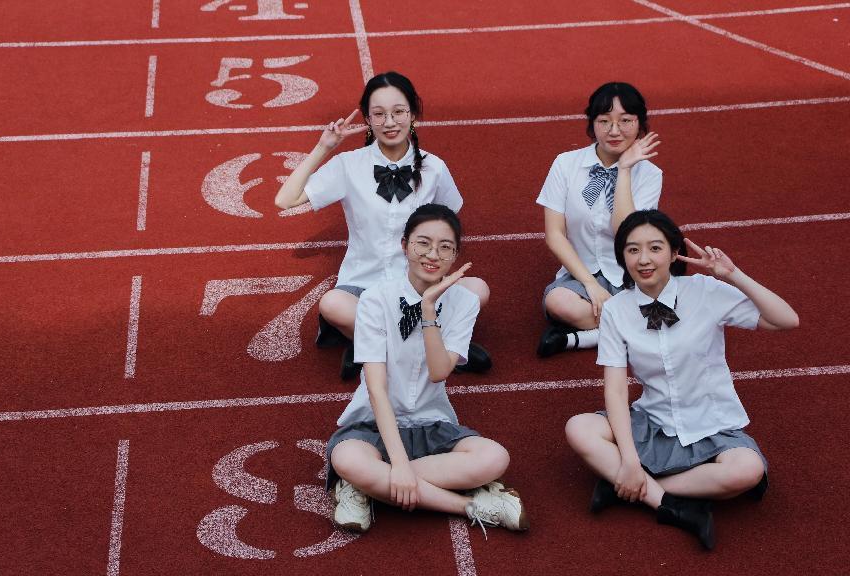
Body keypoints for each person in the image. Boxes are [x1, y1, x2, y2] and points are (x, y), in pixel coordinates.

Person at [565, 209, 799, 549]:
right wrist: (629, 459)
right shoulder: (617, 309)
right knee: (579, 428)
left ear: (674, 253)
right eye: (632, 250)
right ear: (622, 257)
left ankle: (630, 488)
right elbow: (615, 390)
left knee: (747, 470)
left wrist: (734, 275)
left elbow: (786, 320)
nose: (644, 259)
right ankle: (667, 503)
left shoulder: (705, 291)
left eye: (655, 248)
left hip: (712, 424)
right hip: (654, 421)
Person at [324, 204, 528, 535]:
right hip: (374, 424)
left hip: (431, 423)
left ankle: (365, 485)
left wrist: (429, 309)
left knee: (495, 458)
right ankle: (472, 506)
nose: (433, 255)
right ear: (404, 246)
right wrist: (400, 465)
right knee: (347, 457)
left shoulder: (464, 302)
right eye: (423, 243)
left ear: (455, 255)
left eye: (445, 247)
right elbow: (376, 388)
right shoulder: (376, 299)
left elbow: (438, 372)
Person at [275, 71, 491, 379]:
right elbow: (285, 200)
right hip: (364, 286)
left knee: (478, 290)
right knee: (333, 304)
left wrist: (434, 271)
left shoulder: (434, 167)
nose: (390, 122)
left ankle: (371, 347)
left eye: (398, 112)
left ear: (413, 114)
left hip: (420, 283)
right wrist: (325, 146)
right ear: (367, 119)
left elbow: (449, 221)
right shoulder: (349, 164)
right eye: (379, 114)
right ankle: (441, 350)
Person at [536, 82, 662, 357]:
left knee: (665, 312)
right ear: (592, 124)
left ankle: (577, 339)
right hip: (581, 273)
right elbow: (554, 235)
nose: (614, 131)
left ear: (639, 123)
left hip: (631, 273)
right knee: (559, 302)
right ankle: (634, 328)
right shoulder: (565, 164)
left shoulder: (650, 174)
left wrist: (624, 170)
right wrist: (591, 285)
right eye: (604, 121)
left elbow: (626, 234)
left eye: (625, 121)